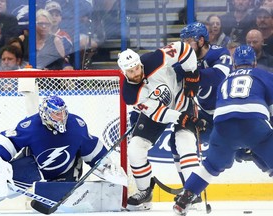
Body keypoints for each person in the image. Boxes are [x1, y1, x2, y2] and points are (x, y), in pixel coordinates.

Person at [173, 45, 273, 216]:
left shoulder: (225, 81)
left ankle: (185, 198)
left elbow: (227, 110)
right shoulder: (264, 75)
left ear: (234, 64)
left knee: (210, 166)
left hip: (222, 127)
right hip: (254, 123)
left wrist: (237, 146)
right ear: (254, 63)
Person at [0, 96, 123, 209]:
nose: (61, 117)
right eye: (56, 114)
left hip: (66, 170)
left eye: (62, 112)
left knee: (60, 207)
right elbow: (7, 141)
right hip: (34, 167)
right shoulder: (31, 126)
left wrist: (106, 165)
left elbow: (91, 146)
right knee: (6, 180)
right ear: (45, 113)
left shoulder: (76, 125)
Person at [117, 44, 207, 210]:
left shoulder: (154, 59)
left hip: (182, 97)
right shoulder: (130, 94)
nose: (136, 73)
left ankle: (192, 193)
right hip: (159, 110)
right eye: (131, 72)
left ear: (140, 63)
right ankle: (145, 192)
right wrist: (184, 118)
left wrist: (192, 74)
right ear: (124, 72)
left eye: (137, 68)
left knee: (185, 142)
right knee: (135, 149)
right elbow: (159, 114)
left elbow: (184, 49)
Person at [179, 22, 232, 165]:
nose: (185, 46)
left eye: (188, 41)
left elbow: (218, 76)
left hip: (226, 115)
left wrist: (191, 76)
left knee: (232, 158)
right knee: (178, 139)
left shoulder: (220, 53)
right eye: (183, 42)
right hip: (204, 115)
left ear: (201, 40)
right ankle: (188, 178)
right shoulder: (185, 60)